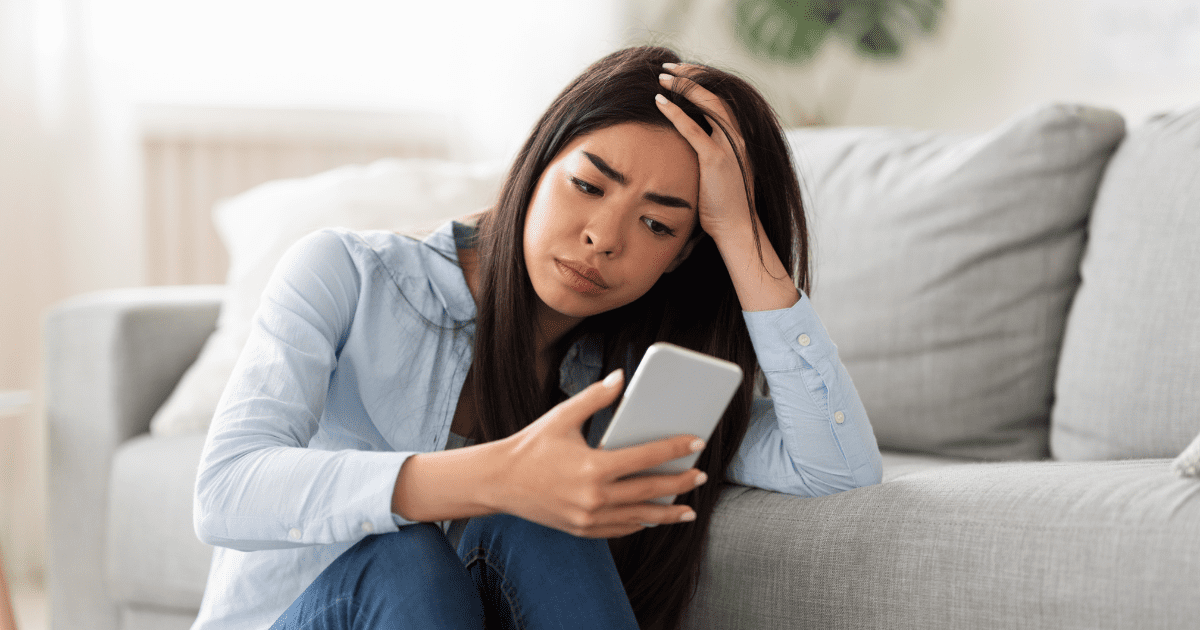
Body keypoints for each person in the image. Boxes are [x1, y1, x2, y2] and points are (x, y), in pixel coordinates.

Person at [190, 45, 882, 630]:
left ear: (680, 256)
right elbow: (225, 492)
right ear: (538, 164)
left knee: (539, 516)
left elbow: (833, 468)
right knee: (406, 555)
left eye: (657, 225)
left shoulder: (625, 377)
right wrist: (503, 475)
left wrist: (737, 229)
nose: (603, 238)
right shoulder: (347, 273)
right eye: (588, 185)